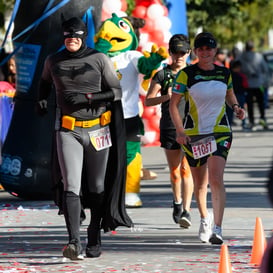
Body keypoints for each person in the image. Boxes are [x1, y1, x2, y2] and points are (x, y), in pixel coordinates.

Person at [36, 17, 132, 260]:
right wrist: (42, 99)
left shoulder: (99, 59)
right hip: (68, 130)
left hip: (97, 131)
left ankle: (93, 234)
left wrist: (88, 98)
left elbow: (116, 92)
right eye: (68, 36)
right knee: (71, 185)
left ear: (83, 37)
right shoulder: (53, 60)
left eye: (76, 37)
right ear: (63, 36)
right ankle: (73, 242)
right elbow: (44, 81)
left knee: (97, 186)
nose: (72, 40)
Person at [169, 32, 245, 244]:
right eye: (201, 49)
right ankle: (204, 218)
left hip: (220, 132)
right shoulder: (186, 74)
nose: (205, 52)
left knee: (216, 178)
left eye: (209, 48)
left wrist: (237, 107)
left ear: (215, 50)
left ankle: (218, 228)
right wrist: (180, 131)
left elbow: (230, 96)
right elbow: (173, 104)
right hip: (194, 135)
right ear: (195, 51)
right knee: (200, 182)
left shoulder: (224, 73)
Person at [145, 34, 194, 228]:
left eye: (183, 52)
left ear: (189, 53)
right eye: (176, 52)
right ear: (170, 53)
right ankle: (177, 202)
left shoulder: (193, 73)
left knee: (186, 169)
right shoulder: (162, 75)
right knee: (175, 171)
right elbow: (148, 100)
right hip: (170, 127)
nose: (180, 56)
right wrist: (165, 97)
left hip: (192, 127)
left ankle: (187, 211)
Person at [239, 40, 269, 130]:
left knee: (250, 104)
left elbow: (238, 68)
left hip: (247, 84)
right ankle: (263, 119)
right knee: (261, 103)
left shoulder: (241, 57)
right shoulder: (259, 57)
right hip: (259, 84)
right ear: (253, 48)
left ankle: (251, 122)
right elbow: (265, 69)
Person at [230, 60, 248, 129]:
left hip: (231, 96)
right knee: (242, 109)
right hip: (240, 94)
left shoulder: (229, 75)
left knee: (230, 111)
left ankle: (230, 123)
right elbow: (245, 85)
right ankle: (244, 123)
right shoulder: (241, 75)